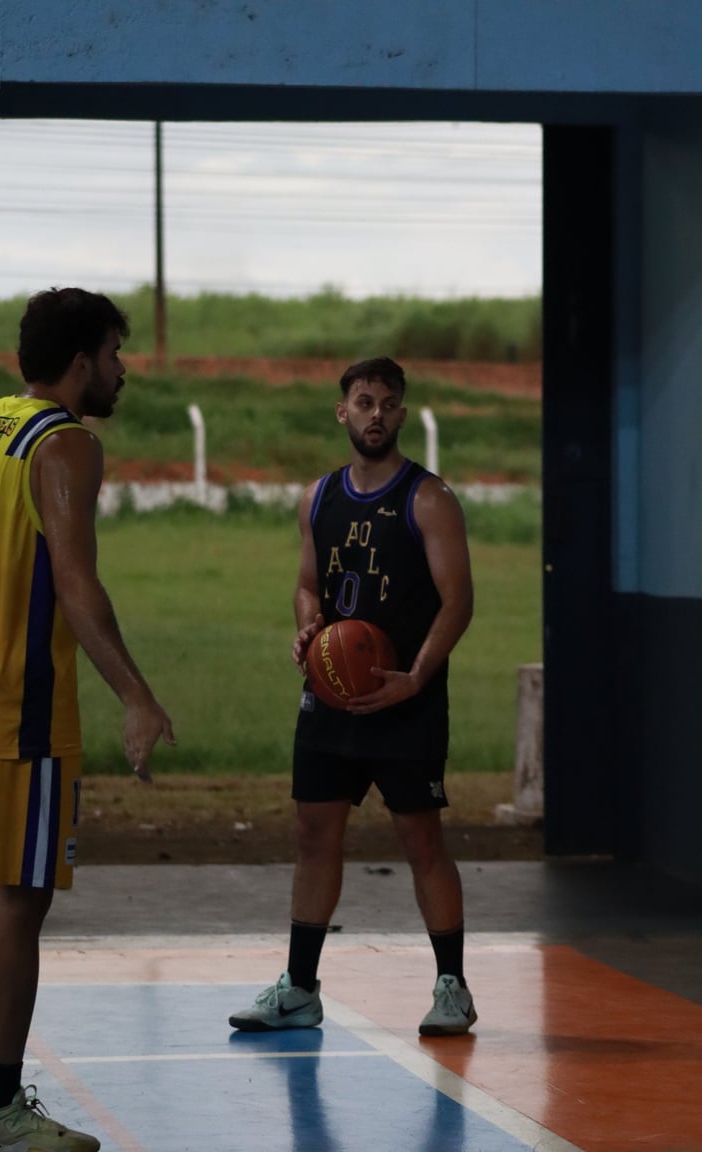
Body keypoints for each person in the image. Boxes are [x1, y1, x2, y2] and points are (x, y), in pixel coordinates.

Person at [0, 288, 175, 1152]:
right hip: (16, 707)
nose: (121, 369)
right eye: (114, 353)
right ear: (80, 362)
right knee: (18, 897)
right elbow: (76, 585)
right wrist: (137, 695)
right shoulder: (66, 443)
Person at [229, 356, 476, 1037]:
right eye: (364, 402)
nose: (376, 414)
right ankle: (300, 989)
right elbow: (308, 583)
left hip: (406, 699)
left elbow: (458, 602)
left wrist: (416, 676)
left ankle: (452, 987)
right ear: (343, 411)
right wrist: (308, 626)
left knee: (421, 839)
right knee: (313, 835)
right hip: (331, 697)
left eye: (388, 404)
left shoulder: (429, 499)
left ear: (401, 415)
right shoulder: (318, 497)